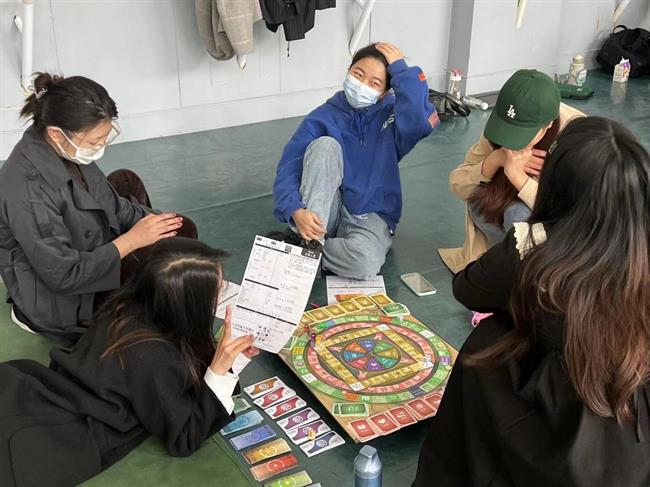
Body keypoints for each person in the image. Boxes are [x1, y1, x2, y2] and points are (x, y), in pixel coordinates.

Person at [414, 117, 650, 487]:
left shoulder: (535, 248)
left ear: (556, 185)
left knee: (489, 339)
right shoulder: (640, 252)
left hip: (563, 441)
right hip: (633, 436)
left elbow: (468, 289)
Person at [0, 238, 259, 487]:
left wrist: (230, 358)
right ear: (189, 305)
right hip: (74, 427)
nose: (222, 292)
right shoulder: (154, 357)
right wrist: (218, 371)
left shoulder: (127, 305)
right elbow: (184, 437)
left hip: (56, 387)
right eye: (217, 289)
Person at [0, 73, 195, 345]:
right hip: (63, 298)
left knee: (177, 225)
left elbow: (113, 204)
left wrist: (160, 224)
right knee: (162, 293)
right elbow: (64, 276)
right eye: (94, 142)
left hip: (90, 245)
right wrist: (133, 241)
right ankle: (29, 316)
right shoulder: (28, 192)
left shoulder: (65, 148)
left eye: (105, 138)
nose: (100, 147)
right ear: (56, 133)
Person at [272, 43, 438, 278]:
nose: (362, 85)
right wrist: (295, 210)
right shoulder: (322, 116)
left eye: (374, 82)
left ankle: (304, 252)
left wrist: (401, 71)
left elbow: (422, 122)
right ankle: (311, 243)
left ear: (385, 92)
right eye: (358, 74)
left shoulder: (393, 118)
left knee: (365, 263)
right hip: (324, 214)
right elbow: (288, 167)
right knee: (325, 145)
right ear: (348, 71)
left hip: (369, 214)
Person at [438, 69, 584, 274]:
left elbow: (577, 218)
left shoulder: (578, 140)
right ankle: (504, 270)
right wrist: (494, 161)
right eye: (509, 129)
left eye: (521, 133)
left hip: (561, 250)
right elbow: (459, 183)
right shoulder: (502, 126)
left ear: (548, 125)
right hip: (505, 252)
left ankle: (533, 279)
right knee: (480, 201)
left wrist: (519, 178)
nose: (511, 141)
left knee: (517, 215)